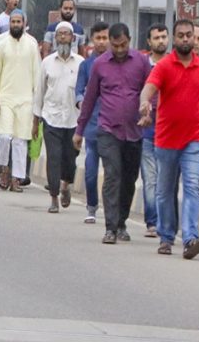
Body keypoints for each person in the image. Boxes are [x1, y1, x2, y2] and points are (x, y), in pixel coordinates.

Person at [139, 19, 199, 260]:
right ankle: (166, 237)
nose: (186, 39)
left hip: (194, 140)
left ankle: (190, 238)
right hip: (166, 140)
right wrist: (144, 104)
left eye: (190, 35)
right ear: (174, 39)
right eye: (181, 35)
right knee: (165, 190)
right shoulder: (165, 66)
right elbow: (148, 89)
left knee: (191, 187)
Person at [74, 23, 151, 244]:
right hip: (107, 130)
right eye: (115, 45)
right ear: (110, 42)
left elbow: (152, 90)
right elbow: (88, 100)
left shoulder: (141, 62)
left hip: (135, 131)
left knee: (129, 179)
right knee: (112, 176)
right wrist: (80, 131)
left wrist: (149, 112)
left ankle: (121, 223)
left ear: (130, 40)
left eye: (123, 45)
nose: (119, 49)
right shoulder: (99, 65)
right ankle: (109, 227)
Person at [33, 21, 84, 212]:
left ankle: (65, 186)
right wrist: (35, 121)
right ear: (55, 38)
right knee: (53, 158)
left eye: (67, 34)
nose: (63, 37)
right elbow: (39, 92)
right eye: (60, 34)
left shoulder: (80, 63)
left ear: (72, 38)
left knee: (70, 159)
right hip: (51, 117)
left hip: (73, 119)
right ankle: (53, 197)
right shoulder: (47, 63)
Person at [0, 9, 39, 192]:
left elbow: (37, 73)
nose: (15, 25)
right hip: (5, 98)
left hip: (26, 99)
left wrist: (37, 103)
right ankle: (4, 168)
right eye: (13, 22)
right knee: (4, 137)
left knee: (20, 141)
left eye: (19, 22)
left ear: (24, 23)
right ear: (9, 23)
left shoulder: (32, 44)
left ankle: (16, 179)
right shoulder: (1, 42)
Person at [75, 21, 110, 223]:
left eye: (105, 38)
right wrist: (81, 103)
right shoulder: (86, 66)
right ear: (92, 41)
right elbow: (79, 91)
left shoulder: (115, 63)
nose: (102, 42)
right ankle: (92, 206)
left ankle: (110, 210)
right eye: (98, 38)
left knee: (111, 172)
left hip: (111, 127)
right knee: (90, 171)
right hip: (91, 126)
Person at [139, 23, 169, 237]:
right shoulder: (141, 66)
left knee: (166, 180)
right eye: (156, 37)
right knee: (150, 178)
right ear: (149, 42)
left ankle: (166, 221)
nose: (161, 41)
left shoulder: (174, 65)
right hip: (147, 132)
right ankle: (152, 222)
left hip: (169, 133)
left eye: (164, 37)